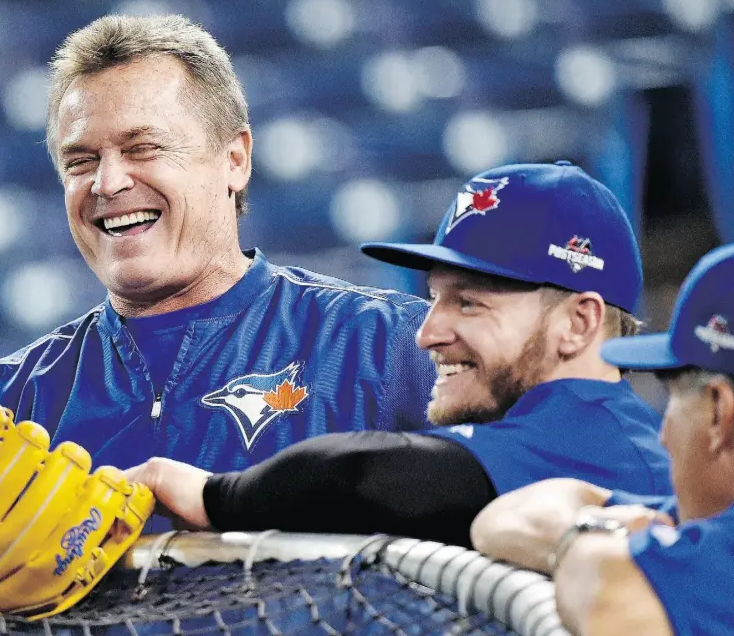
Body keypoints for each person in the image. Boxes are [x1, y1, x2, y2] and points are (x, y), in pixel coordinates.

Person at [125, 161, 672, 547]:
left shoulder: (599, 441)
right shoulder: (580, 434)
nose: (428, 332)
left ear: (579, 324)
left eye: (470, 304)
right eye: (435, 298)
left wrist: (213, 494)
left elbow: (365, 477)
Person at [0, 14, 437, 475]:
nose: (107, 182)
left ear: (235, 160)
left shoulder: (392, 345)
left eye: (143, 148)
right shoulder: (11, 398)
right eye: (80, 161)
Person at [470, 244, 734, 636]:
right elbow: (507, 515)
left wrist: (586, 539)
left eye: (676, 398)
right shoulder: (691, 516)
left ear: (718, 411)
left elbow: (608, 596)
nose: (663, 437)